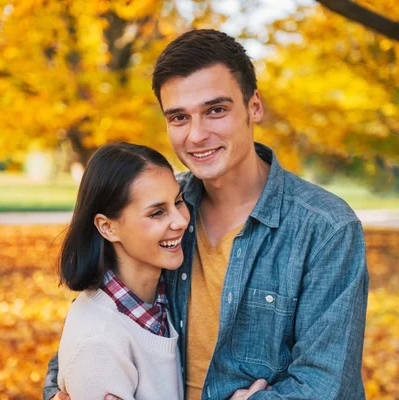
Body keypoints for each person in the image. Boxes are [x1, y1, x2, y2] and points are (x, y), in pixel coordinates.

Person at [45, 29, 369, 400]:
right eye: (179, 117)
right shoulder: (159, 207)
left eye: (216, 110)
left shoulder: (325, 228)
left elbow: (327, 384)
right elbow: (97, 324)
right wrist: (60, 390)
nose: (196, 135)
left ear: (254, 106)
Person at [55, 142, 188, 399]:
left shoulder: (160, 301)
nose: (181, 221)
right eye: (157, 212)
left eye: (179, 201)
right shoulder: (99, 343)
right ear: (108, 227)